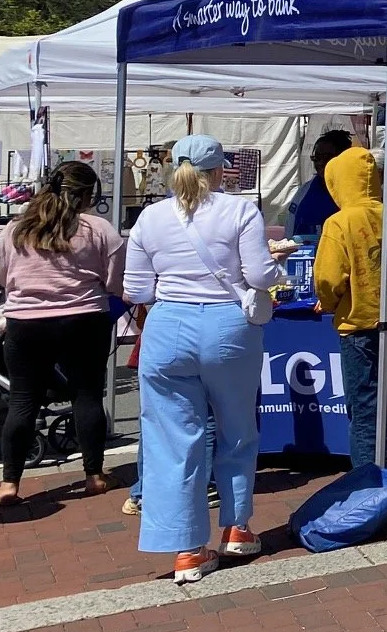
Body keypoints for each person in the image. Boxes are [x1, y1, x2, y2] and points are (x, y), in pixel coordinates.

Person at [123, 134, 288, 583]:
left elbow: (136, 290)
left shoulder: (150, 218)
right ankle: (236, 526)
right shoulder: (239, 210)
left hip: (167, 327)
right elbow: (257, 274)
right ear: (219, 171)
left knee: (172, 440)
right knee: (237, 429)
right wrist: (279, 268)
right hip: (227, 326)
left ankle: (186, 549)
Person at [0, 163, 125, 505]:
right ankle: (94, 474)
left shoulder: (15, 230)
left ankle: (9, 484)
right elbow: (115, 283)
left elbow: (4, 279)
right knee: (87, 394)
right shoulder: (98, 229)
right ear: (86, 195)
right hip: (83, 320)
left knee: (22, 400)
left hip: (26, 323)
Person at [311, 145, 387, 470]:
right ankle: (386, 472)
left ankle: (368, 483)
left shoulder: (339, 223)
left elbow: (328, 278)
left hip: (358, 324)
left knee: (364, 407)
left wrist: (328, 303)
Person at [287, 129, 354, 238]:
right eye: (317, 158)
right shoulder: (305, 190)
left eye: (327, 157)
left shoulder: (353, 192)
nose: (320, 162)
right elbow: (290, 225)